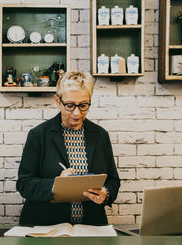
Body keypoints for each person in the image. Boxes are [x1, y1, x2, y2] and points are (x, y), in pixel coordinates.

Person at [16, 70, 120, 226]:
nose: (77, 113)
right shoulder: (38, 135)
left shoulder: (100, 135)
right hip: (46, 226)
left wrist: (106, 193)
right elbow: (24, 184)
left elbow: (113, 181)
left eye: (84, 105)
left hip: (91, 226)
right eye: (70, 105)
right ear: (58, 101)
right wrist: (55, 185)